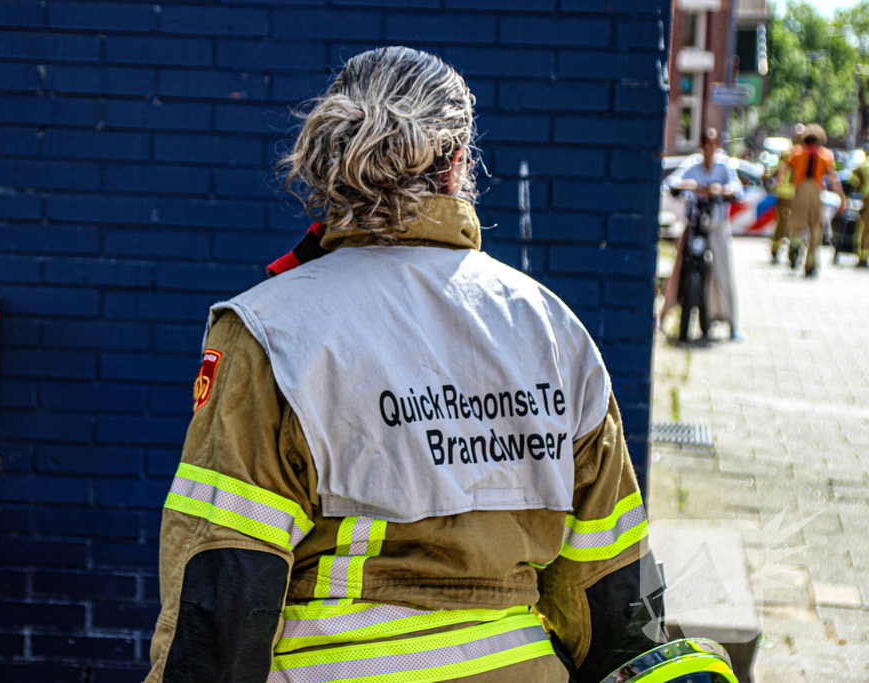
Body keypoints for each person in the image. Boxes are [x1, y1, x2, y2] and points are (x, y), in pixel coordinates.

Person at [145, 47, 660, 683]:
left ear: (331, 166)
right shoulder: (551, 329)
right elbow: (612, 598)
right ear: (457, 168)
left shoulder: (273, 333)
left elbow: (224, 594)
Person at [663, 128, 745, 341]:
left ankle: (731, 323)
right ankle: (665, 314)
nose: (710, 150)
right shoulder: (693, 164)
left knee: (723, 270)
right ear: (701, 146)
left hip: (716, 225)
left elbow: (737, 189)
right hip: (694, 223)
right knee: (679, 265)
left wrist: (721, 190)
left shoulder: (724, 166)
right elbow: (671, 182)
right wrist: (687, 185)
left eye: (713, 145)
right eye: (706, 145)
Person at [776, 123, 846, 276]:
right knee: (815, 227)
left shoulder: (797, 153)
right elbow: (834, 179)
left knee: (797, 223)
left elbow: (783, 172)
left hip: (800, 190)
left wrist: (782, 188)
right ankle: (811, 262)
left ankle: (795, 245)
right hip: (816, 190)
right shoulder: (825, 155)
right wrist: (842, 198)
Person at [770, 124, 804, 263]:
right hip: (789, 195)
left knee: (786, 224)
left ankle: (787, 250)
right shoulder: (797, 155)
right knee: (787, 224)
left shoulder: (792, 154)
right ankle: (783, 249)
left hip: (792, 195)